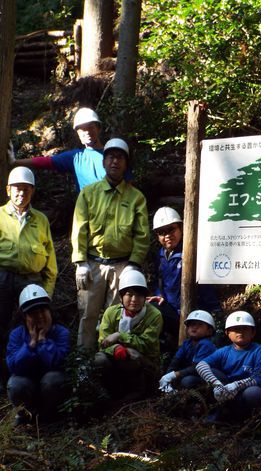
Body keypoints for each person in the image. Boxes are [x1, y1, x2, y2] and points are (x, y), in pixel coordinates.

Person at [0, 166, 57, 394]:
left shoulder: (40, 220)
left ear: (33, 192)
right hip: (0, 277)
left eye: (26, 189)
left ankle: (29, 374)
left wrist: (47, 289)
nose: (21, 193)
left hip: (31, 280)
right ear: (8, 190)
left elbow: (50, 259)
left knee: (35, 324)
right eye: (17, 189)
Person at [71, 138, 150, 349]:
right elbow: (79, 228)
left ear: (126, 164)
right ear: (104, 162)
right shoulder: (89, 193)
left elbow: (142, 235)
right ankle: (84, 366)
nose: (115, 162)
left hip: (122, 266)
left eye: (120, 158)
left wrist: (134, 264)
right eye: (111, 157)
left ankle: (111, 359)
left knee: (116, 315)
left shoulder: (136, 198)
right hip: (92, 263)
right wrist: (80, 262)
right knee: (87, 315)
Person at [147, 206, 221, 350]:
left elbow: (206, 286)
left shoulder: (191, 252)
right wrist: (159, 295)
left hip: (193, 313)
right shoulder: (161, 255)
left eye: (171, 229)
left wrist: (215, 311)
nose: (167, 235)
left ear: (181, 228)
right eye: (162, 232)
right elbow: (158, 280)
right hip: (171, 308)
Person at [6, 284, 70, 426]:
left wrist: (43, 342)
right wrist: (31, 344)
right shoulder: (16, 335)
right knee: (15, 384)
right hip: (29, 387)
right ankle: (25, 415)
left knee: (53, 379)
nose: (39, 316)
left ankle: (51, 415)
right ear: (25, 317)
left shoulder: (61, 332)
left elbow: (60, 362)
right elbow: (14, 366)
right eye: (33, 313)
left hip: (50, 389)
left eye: (42, 310)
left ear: (49, 311)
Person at [94, 270, 163, 401]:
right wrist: (116, 349)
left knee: (132, 355)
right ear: (120, 297)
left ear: (145, 297)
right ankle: (108, 391)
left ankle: (138, 390)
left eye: (139, 295)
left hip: (144, 362)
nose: (134, 300)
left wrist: (120, 336)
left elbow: (146, 344)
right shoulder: (111, 313)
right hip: (116, 357)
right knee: (99, 359)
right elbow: (103, 343)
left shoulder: (154, 315)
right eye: (129, 294)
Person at [196, 311, 261, 422]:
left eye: (244, 328)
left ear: (253, 332)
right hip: (226, 394)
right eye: (235, 329)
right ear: (227, 333)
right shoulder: (224, 351)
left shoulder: (258, 350)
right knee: (212, 372)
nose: (240, 332)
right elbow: (201, 365)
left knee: (253, 393)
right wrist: (218, 385)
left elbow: (260, 377)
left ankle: (250, 421)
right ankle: (219, 414)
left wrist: (236, 385)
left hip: (246, 394)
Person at [10, 107, 106, 193]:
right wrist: (15, 162)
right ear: (78, 133)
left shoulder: (113, 154)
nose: (87, 132)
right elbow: (46, 162)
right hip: (88, 211)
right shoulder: (76, 157)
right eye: (82, 130)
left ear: (98, 128)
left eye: (90, 128)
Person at [158, 310, 217, 392]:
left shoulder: (206, 344)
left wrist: (175, 374)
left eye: (199, 325)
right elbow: (176, 360)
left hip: (205, 377)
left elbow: (196, 368)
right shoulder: (187, 343)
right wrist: (168, 375)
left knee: (187, 381)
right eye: (192, 324)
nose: (194, 327)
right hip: (189, 373)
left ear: (209, 331)